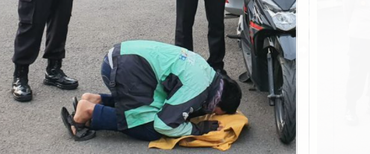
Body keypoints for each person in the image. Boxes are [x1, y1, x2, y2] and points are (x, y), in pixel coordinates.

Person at [60, 40, 242, 141]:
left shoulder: (207, 73)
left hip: (122, 57)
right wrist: (195, 129)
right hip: (122, 69)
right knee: (150, 128)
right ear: (219, 102)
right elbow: (164, 124)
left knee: (158, 109)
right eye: (218, 113)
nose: (213, 114)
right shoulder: (198, 89)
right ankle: (88, 111)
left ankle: (96, 99)